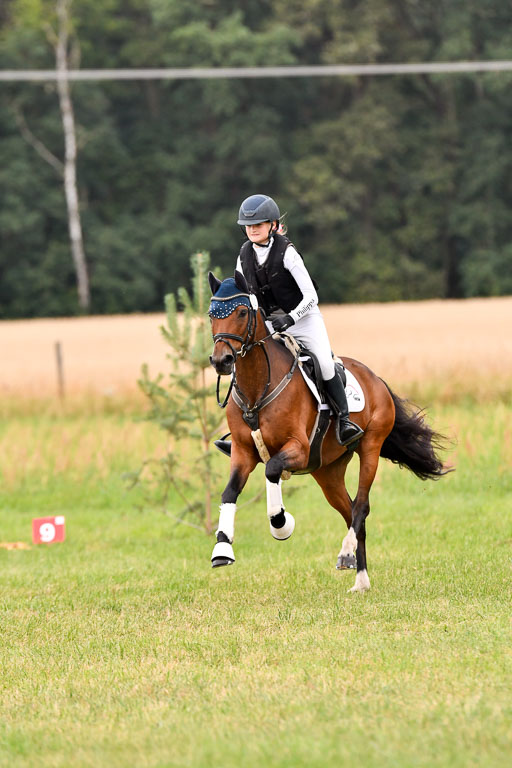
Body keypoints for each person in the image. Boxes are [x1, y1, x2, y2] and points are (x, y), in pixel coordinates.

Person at [235, 193, 363, 447]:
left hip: (303, 317)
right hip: (268, 321)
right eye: (248, 226)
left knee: (325, 364)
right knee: (241, 363)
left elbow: (311, 296)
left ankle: (345, 420)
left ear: (272, 225)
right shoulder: (243, 256)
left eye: (258, 225)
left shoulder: (287, 253)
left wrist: (291, 318)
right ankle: (239, 432)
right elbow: (244, 294)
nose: (252, 230)